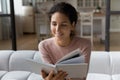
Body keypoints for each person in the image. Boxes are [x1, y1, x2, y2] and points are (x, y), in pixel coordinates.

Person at [38, 2, 91, 80]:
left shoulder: (84, 45)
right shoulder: (44, 46)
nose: (57, 29)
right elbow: (51, 75)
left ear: (72, 25)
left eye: (63, 25)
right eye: (54, 24)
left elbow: (82, 77)